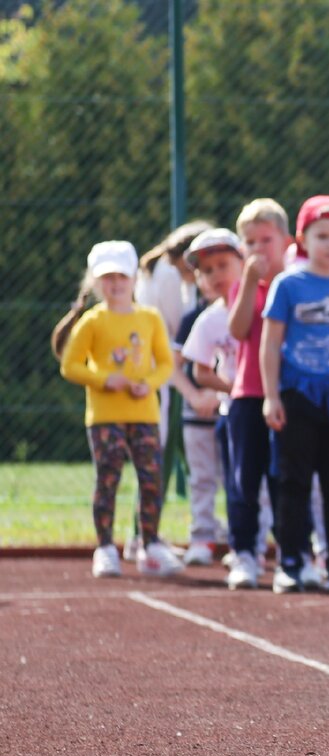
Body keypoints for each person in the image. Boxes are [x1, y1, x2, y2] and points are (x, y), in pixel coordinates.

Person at [261, 195, 329, 593]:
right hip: (299, 395)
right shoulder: (288, 284)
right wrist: (272, 395)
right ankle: (291, 561)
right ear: (302, 238)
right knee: (294, 480)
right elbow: (271, 343)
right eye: (321, 235)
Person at [59, 240, 185, 579]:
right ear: (97, 282)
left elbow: (164, 363)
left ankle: (151, 544)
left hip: (144, 414)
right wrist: (103, 379)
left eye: (121, 276)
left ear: (133, 278)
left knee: (152, 479)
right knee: (108, 477)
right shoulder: (92, 321)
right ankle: (105, 548)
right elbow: (70, 366)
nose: (115, 284)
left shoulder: (149, 318)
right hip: (104, 416)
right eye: (107, 278)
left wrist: (151, 383)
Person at [124, 220, 212, 560]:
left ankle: (157, 531)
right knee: (155, 456)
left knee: (181, 457)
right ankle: (142, 535)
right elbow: (175, 340)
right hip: (163, 381)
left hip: (164, 378)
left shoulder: (162, 271)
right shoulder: (168, 275)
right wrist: (189, 390)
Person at [224, 198, 293, 589]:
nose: (257, 249)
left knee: (285, 478)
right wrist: (250, 281)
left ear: (285, 240)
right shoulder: (242, 286)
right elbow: (237, 330)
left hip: (287, 394)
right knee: (244, 479)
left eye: (265, 240)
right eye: (249, 243)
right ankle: (245, 552)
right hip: (248, 393)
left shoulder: (298, 283)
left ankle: (291, 552)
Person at [175, 228, 243, 565]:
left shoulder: (256, 309)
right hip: (197, 413)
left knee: (240, 478)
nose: (215, 275)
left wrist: (229, 393)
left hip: (237, 410)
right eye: (206, 270)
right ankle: (202, 536)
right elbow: (176, 366)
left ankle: (240, 539)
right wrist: (195, 394)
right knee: (201, 478)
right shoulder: (195, 319)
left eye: (222, 265)